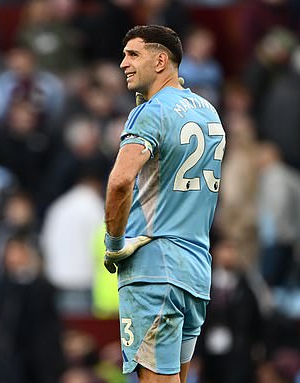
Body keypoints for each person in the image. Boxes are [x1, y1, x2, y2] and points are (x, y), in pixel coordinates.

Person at [104, 25, 225, 382]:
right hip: (195, 271)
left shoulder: (151, 112)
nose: (123, 63)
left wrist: (114, 245)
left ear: (161, 60)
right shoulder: (208, 112)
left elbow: (121, 180)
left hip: (154, 268)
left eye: (133, 54)